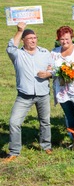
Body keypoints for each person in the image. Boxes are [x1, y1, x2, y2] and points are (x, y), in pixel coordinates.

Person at [4, 23, 54, 162]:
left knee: (45, 121)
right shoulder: (18, 54)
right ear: (23, 40)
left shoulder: (45, 53)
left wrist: (48, 74)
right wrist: (20, 30)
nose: (33, 40)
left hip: (43, 94)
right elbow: (10, 47)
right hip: (24, 95)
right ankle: (14, 151)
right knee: (14, 122)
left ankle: (46, 146)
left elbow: (53, 69)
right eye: (30, 38)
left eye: (35, 37)